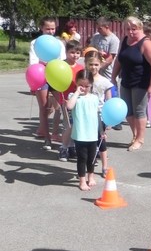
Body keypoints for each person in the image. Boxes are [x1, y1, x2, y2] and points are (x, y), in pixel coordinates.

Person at [110, 16, 151, 151]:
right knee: (127, 111)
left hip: (141, 82)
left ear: (140, 28)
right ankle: (135, 135)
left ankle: (140, 139)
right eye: (128, 29)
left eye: (134, 29)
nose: (131, 32)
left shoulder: (146, 43)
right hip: (126, 81)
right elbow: (119, 59)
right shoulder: (125, 40)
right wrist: (113, 76)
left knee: (139, 112)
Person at [29, 16, 66, 150]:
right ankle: (47, 139)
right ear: (41, 28)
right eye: (47, 29)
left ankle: (64, 138)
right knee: (44, 108)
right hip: (41, 77)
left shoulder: (59, 43)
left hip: (56, 77)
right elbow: (33, 63)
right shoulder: (35, 43)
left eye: (53, 29)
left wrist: (47, 63)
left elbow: (62, 61)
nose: (50, 31)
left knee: (63, 106)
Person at [66, 69, 100, 191]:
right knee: (82, 158)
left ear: (91, 85)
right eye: (81, 85)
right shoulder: (73, 96)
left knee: (92, 158)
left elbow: (98, 115)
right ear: (76, 83)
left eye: (87, 86)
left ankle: (91, 176)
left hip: (92, 134)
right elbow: (69, 106)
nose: (84, 88)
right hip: (80, 134)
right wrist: (76, 92)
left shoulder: (94, 98)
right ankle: (82, 180)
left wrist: (101, 132)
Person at [85, 51, 113, 178]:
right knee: (87, 142)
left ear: (100, 64)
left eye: (96, 64)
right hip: (86, 115)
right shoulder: (84, 79)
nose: (93, 67)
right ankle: (88, 165)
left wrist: (109, 120)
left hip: (99, 116)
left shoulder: (104, 81)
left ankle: (105, 166)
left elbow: (109, 101)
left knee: (101, 142)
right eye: (91, 64)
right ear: (86, 64)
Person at [57, 40, 83, 162]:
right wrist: (60, 99)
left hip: (78, 100)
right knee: (68, 125)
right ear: (66, 52)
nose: (75, 55)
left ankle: (72, 147)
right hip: (66, 100)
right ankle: (63, 148)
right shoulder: (61, 66)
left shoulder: (80, 68)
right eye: (72, 52)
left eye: (78, 53)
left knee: (75, 125)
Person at [89, 17, 120, 81]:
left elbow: (111, 58)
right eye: (97, 28)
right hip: (95, 71)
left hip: (108, 73)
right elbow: (90, 49)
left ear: (107, 27)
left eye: (100, 28)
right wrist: (97, 52)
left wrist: (98, 67)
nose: (98, 30)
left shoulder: (114, 39)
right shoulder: (96, 37)